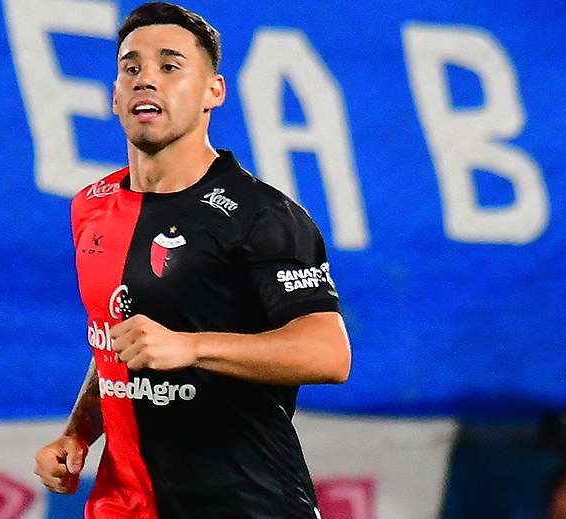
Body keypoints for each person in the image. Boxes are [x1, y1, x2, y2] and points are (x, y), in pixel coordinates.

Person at [34, 2, 352, 518]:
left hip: (248, 504)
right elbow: (117, 338)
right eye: (131, 68)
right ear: (114, 96)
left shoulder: (260, 216)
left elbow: (329, 354)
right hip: (127, 505)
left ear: (213, 92)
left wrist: (192, 346)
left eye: (170, 66)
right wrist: (79, 431)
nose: (145, 79)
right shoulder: (92, 206)